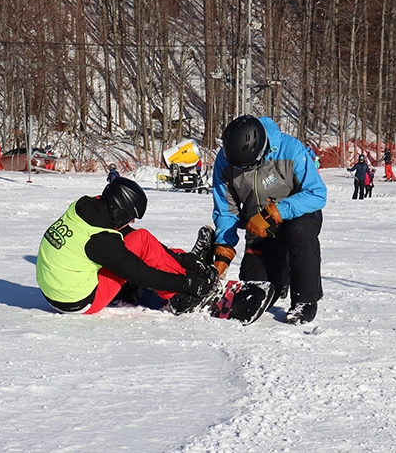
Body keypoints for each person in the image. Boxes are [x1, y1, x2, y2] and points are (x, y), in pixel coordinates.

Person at [36, 177, 218, 315]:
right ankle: (180, 298)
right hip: (80, 301)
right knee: (141, 242)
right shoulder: (101, 240)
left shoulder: (84, 205)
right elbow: (143, 275)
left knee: (139, 240)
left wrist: (179, 257)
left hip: (56, 290)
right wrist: (187, 284)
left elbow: (125, 234)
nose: (131, 221)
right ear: (119, 211)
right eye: (131, 216)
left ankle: (177, 266)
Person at [211, 115, 328, 325]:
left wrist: (272, 213)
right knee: (256, 289)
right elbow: (226, 210)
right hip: (259, 230)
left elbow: (317, 194)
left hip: (296, 218)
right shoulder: (224, 160)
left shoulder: (291, 149)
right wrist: (223, 252)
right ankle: (280, 278)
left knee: (300, 230)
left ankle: (305, 300)